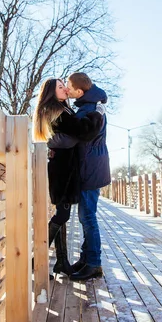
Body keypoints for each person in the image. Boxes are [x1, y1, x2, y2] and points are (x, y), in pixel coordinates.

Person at [32, 78, 105, 277]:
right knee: (62, 215)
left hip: (64, 169)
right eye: (60, 86)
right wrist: (98, 114)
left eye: (65, 85)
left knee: (62, 215)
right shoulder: (56, 110)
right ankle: (35, 260)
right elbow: (82, 132)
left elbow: (68, 136)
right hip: (63, 171)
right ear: (51, 92)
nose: (65, 88)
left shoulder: (60, 110)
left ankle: (62, 262)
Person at [48, 72, 110, 281]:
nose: (67, 89)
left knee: (88, 218)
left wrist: (51, 142)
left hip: (89, 169)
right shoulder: (88, 107)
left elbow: (80, 136)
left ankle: (93, 263)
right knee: (86, 217)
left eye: (69, 86)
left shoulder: (90, 110)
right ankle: (86, 259)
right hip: (89, 167)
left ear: (79, 91)